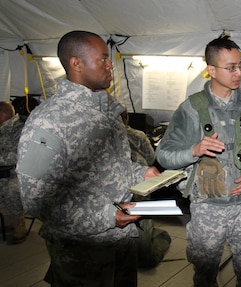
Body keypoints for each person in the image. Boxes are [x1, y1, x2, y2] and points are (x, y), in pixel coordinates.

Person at [16, 30, 160, 287]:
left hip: (121, 242)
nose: (110, 67)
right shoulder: (49, 120)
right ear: (76, 63)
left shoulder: (107, 112)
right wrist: (107, 216)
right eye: (103, 60)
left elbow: (115, 166)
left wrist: (142, 173)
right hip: (82, 251)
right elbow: (36, 199)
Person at [156, 35, 241, 286]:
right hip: (208, 208)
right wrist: (193, 150)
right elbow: (164, 154)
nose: (238, 73)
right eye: (231, 67)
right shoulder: (191, 109)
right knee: (205, 272)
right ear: (211, 70)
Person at [0, 101, 27, 244]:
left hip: (19, 172)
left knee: (12, 189)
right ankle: (6, 220)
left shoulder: (19, 129)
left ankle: (19, 224)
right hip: (3, 172)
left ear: (3, 114)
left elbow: (19, 155)